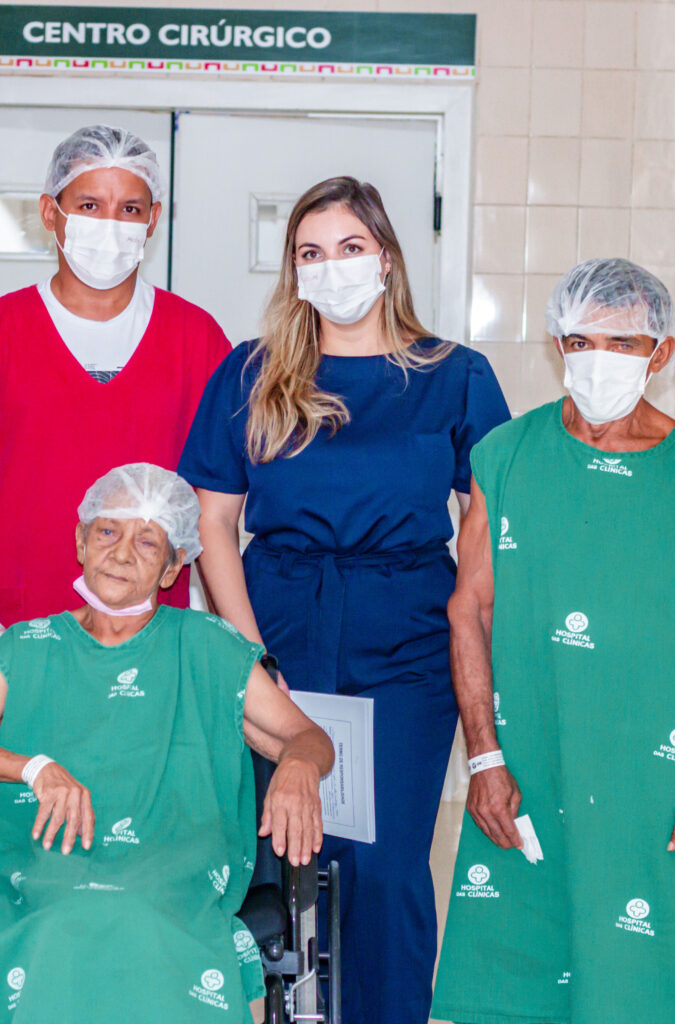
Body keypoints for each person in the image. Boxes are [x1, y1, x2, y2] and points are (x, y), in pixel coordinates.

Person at [178, 176, 511, 1022]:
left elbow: (486, 523)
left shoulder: (456, 376)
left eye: (350, 248)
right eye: (311, 253)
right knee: (286, 856)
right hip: (279, 625)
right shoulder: (252, 373)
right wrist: (249, 655)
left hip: (406, 641)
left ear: (387, 259)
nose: (332, 267)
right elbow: (213, 521)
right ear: (293, 271)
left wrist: (476, 636)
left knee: (385, 865)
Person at [431, 257, 675, 1024]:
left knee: (651, 974)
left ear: (660, 354)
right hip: (529, 760)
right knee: (519, 964)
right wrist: (485, 759)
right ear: (557, 346)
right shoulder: (505, 459)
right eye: (580, 342)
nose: (597, 360)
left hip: (657, 777)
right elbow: (468, 610)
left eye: (622, 344)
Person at [0, 463, 334, 1024]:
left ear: (172, 567)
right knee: (70, 917)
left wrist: (299, 765)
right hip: (55, 866)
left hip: (175, 866)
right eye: (108, 531)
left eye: (147, 541)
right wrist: (32, 768)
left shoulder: (208, 646)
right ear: (81, 542)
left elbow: (307, 736)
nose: (121, 553)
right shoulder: (31, 645)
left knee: (141, 914)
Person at [0, 125, 231, 704]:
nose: (110, 224)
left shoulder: (196, 341)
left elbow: (218, 512)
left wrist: (228, 640)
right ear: (51, 212)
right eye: (90, 205)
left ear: (153, 219)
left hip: (148, 645)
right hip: (10, 636)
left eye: (130, 209)